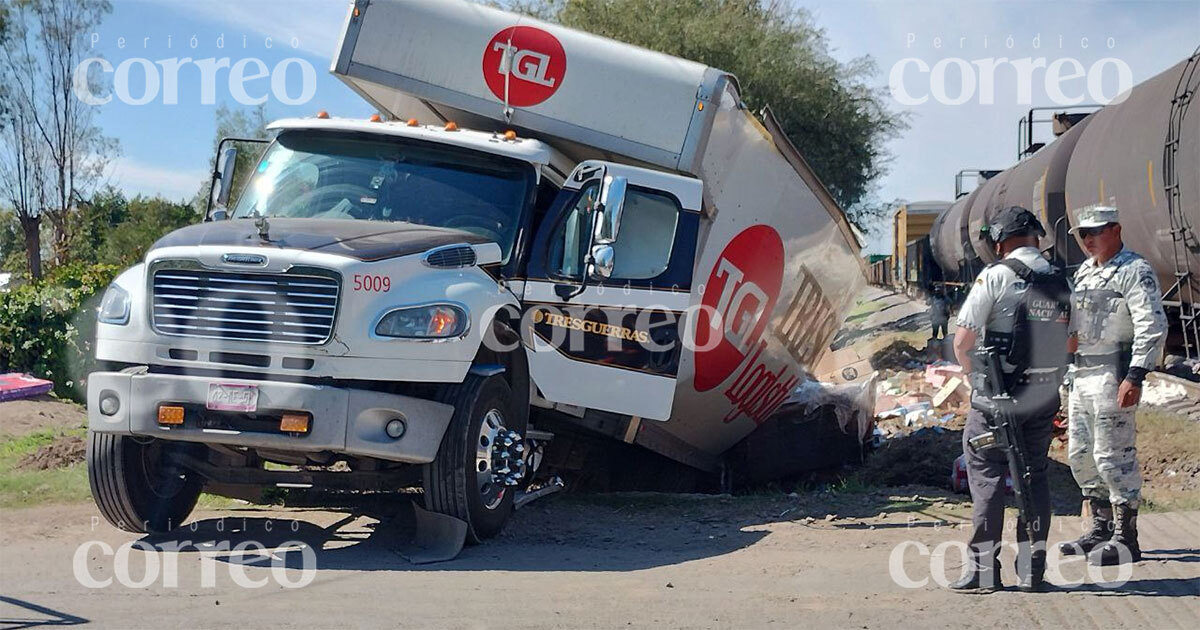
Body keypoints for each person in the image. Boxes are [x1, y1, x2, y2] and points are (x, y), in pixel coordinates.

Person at [950, 206, 1071, 592]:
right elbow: (1072, 341)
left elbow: (963, 340)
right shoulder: (1060, 280)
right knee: (1034, 476)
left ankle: (983, 571)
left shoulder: (995, 276)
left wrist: (976, 380)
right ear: (1037, 237)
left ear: (999, 243)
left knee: (986, 475)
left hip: (995, 402)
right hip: (1042, 398)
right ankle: (1034, 570)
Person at [1058, 204, 1168, 566]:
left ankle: (1127, 537)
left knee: (1113, 456)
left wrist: (1135, 375)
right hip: (1082, 374)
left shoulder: (1134, 270)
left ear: (1116, 230)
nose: (1088, 239)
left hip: (1112, 374)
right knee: (1081, 456)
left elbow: (1151, 324)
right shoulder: (1086, 273)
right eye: (1082, 234)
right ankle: (1101, 528)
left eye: (1095, 232)